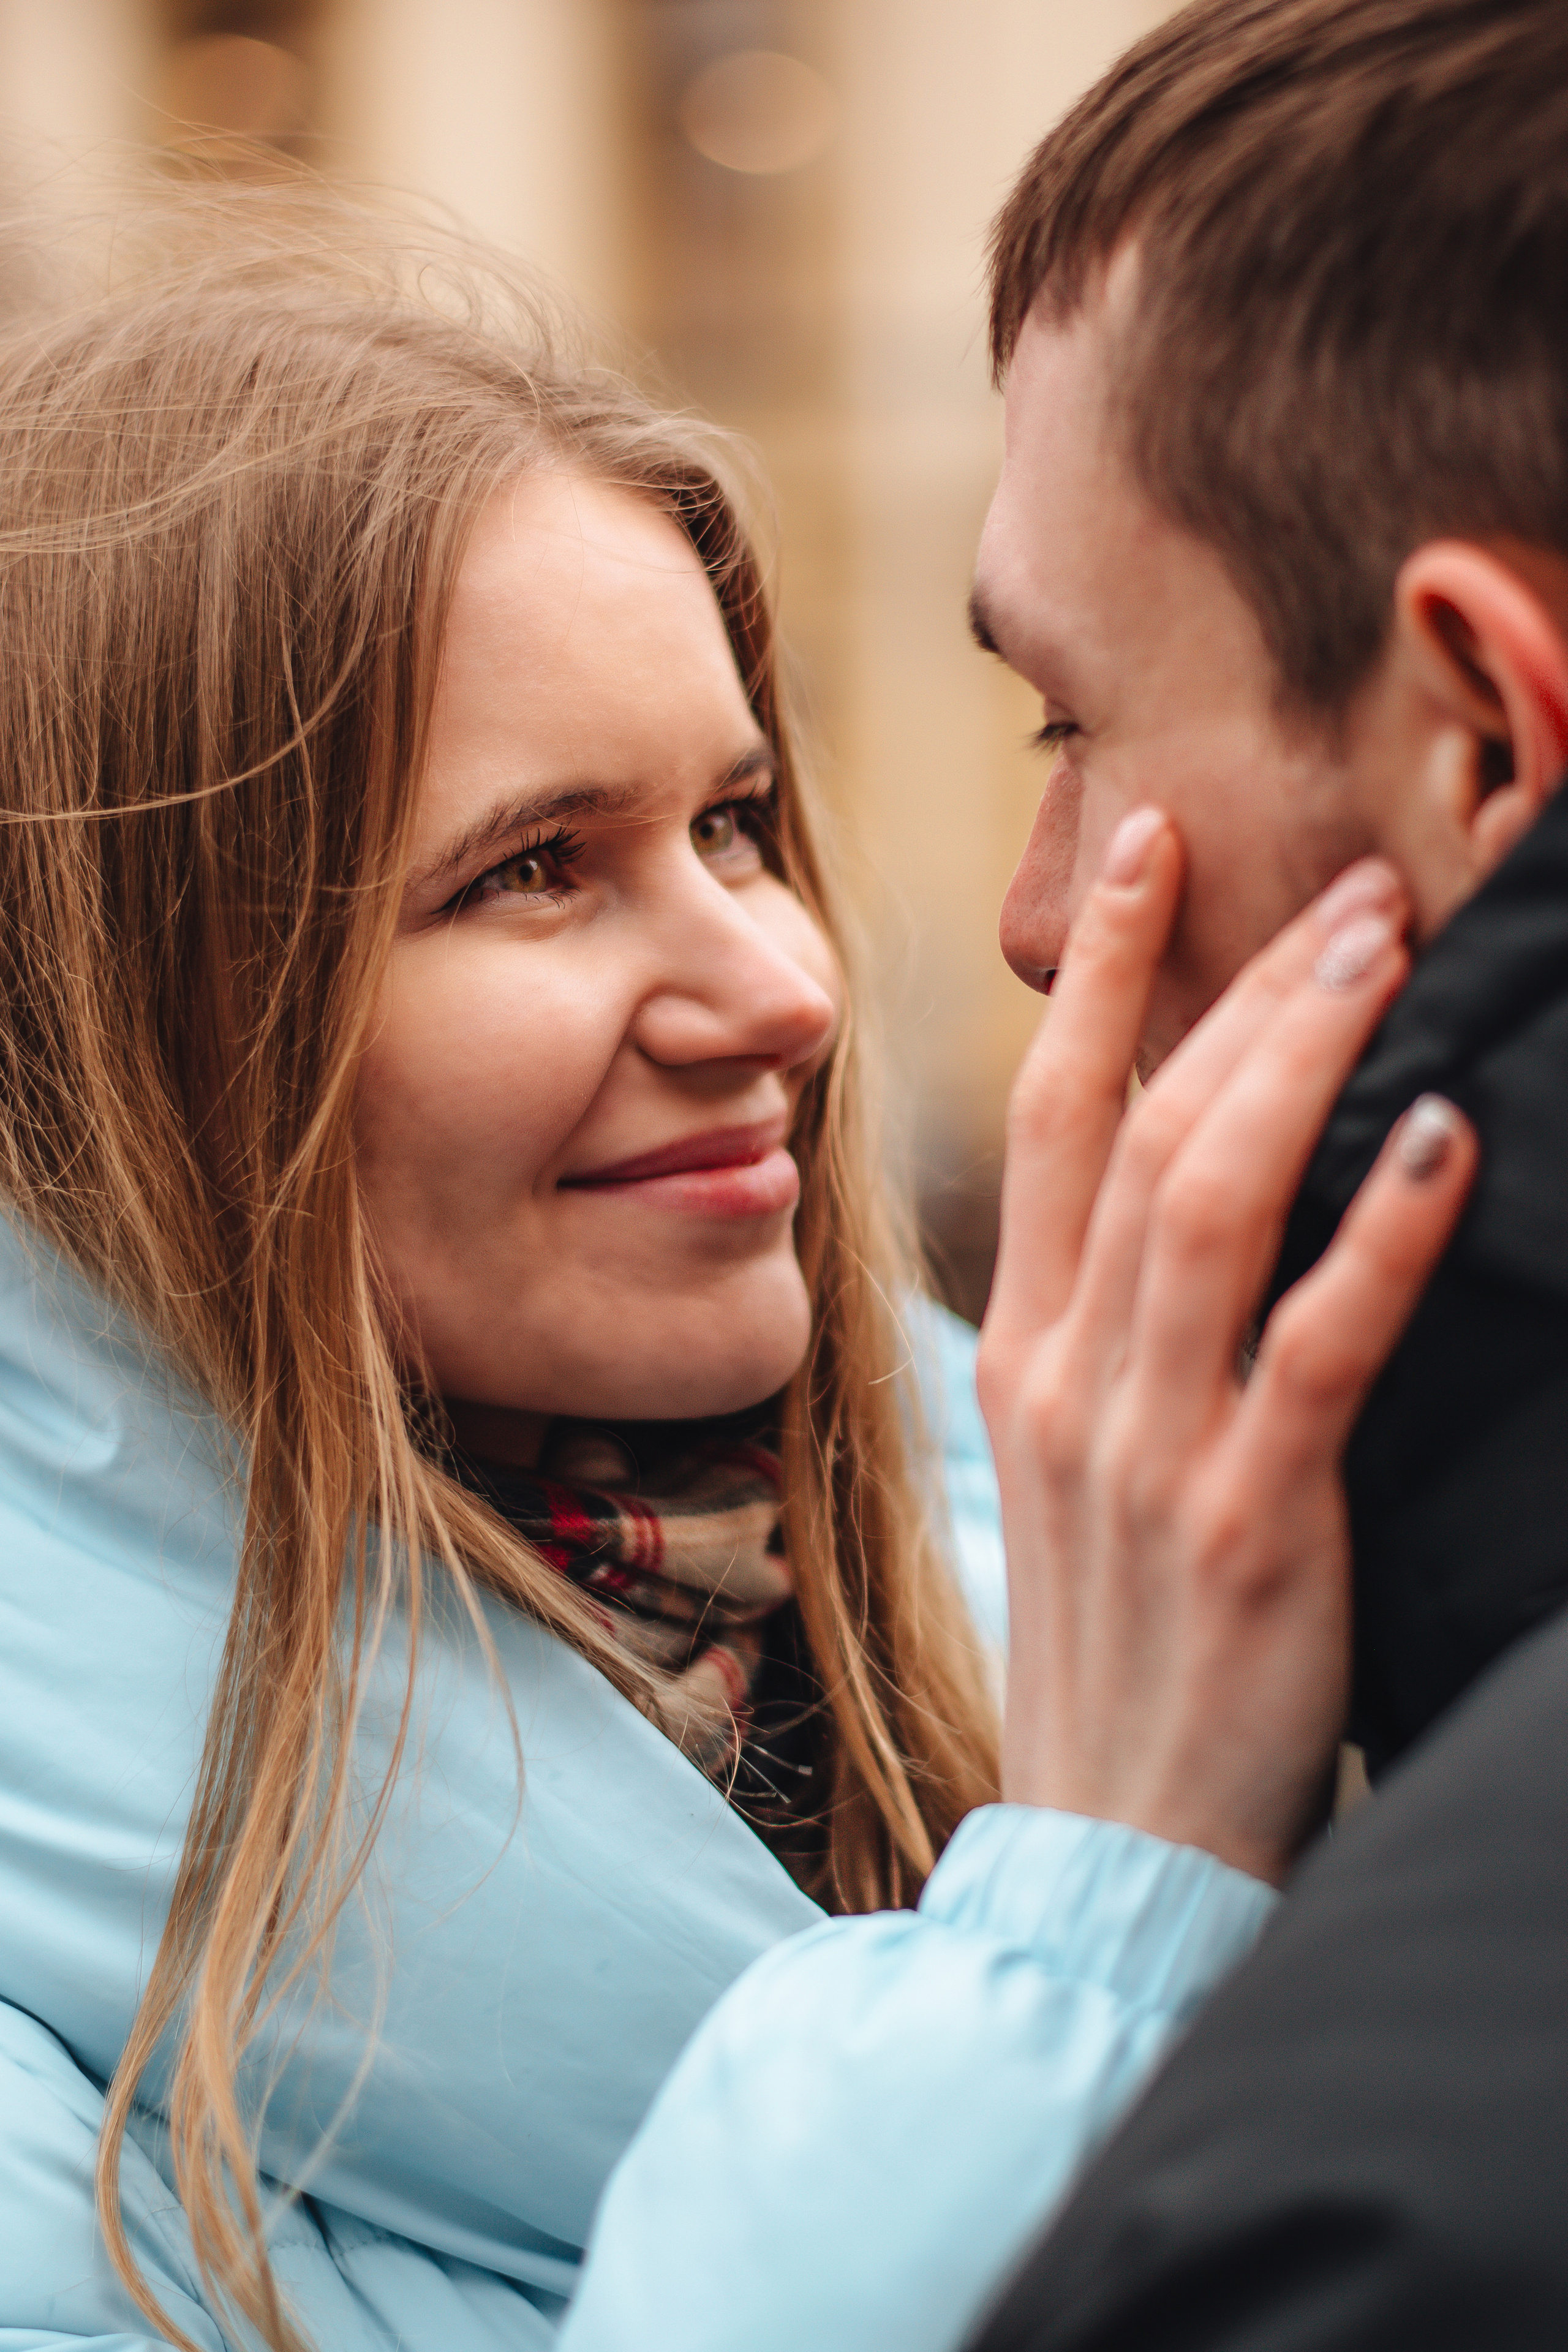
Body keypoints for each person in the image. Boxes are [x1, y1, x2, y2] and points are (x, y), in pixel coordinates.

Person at [0, 191, 1446, 2352]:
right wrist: (1087, 1909)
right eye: (533, 871)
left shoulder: (1104, 1554)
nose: (778, 985)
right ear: (125, 1028)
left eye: (741, 826)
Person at [956, 0, 1568, 2343]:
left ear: (1484, 739)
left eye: (1068, 715)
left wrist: (1094, 1907)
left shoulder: (1379, 2192)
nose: (1035, 914)